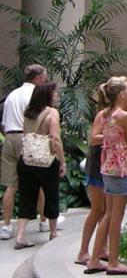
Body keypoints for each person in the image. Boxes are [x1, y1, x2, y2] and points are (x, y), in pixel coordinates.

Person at [1, 64, 64, 240]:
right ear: (38, 79)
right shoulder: (36, 96)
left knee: (11, 185)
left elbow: (4, 122)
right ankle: (44, 221)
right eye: (44, 79)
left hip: (9, 138)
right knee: (40, 181)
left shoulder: (12, 95)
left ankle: (6, 226)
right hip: (29, 140)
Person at [86, 77, 127, 275]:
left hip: (107, 167)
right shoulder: (123, 116)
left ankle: (93, 260)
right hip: (121, 168)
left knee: (108, 215)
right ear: (121, 94)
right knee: (116, 217)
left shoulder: (106, 113)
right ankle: (114, 263)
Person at [14, 82, 66, 249]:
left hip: (26, 159)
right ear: (47, 95)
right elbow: (55, 139)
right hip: (46, 160)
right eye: (54, 93)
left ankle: (20, 235)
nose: (57, 95)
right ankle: (53, 233)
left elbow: (25, 134)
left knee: (26, 196)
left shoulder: (28, 113)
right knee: (51, 194)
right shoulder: (52, 113)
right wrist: (62, 161)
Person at [76, 90, 110, 265]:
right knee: (97, 209)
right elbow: (94, 139)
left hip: (106, 166)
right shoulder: (102, 115)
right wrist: (113, 135)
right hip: (97, 166)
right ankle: (83, 251)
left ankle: (103, 248)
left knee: (104, 210)